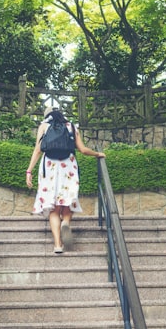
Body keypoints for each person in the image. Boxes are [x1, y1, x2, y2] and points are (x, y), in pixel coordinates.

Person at [25, 107, 105, 253]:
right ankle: (66, 222)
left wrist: (29, 171)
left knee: (54, 209)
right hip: (68, 166)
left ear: (47, 116)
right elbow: (83, 149)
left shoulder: (43, 126)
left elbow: (37, 150)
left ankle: (57, 245)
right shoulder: (71, 126)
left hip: (49, 167)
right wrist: (97, 153)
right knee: (68, 201)